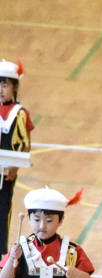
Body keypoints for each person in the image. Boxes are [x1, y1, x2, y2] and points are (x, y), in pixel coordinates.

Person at [0, 59, 33, 250]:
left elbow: (26, 145)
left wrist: (15, 167)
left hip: (6, 174)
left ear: (14, 87)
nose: (0, 90)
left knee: (3, 209)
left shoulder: (20, 114)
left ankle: (1, 250)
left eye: (5, 85)